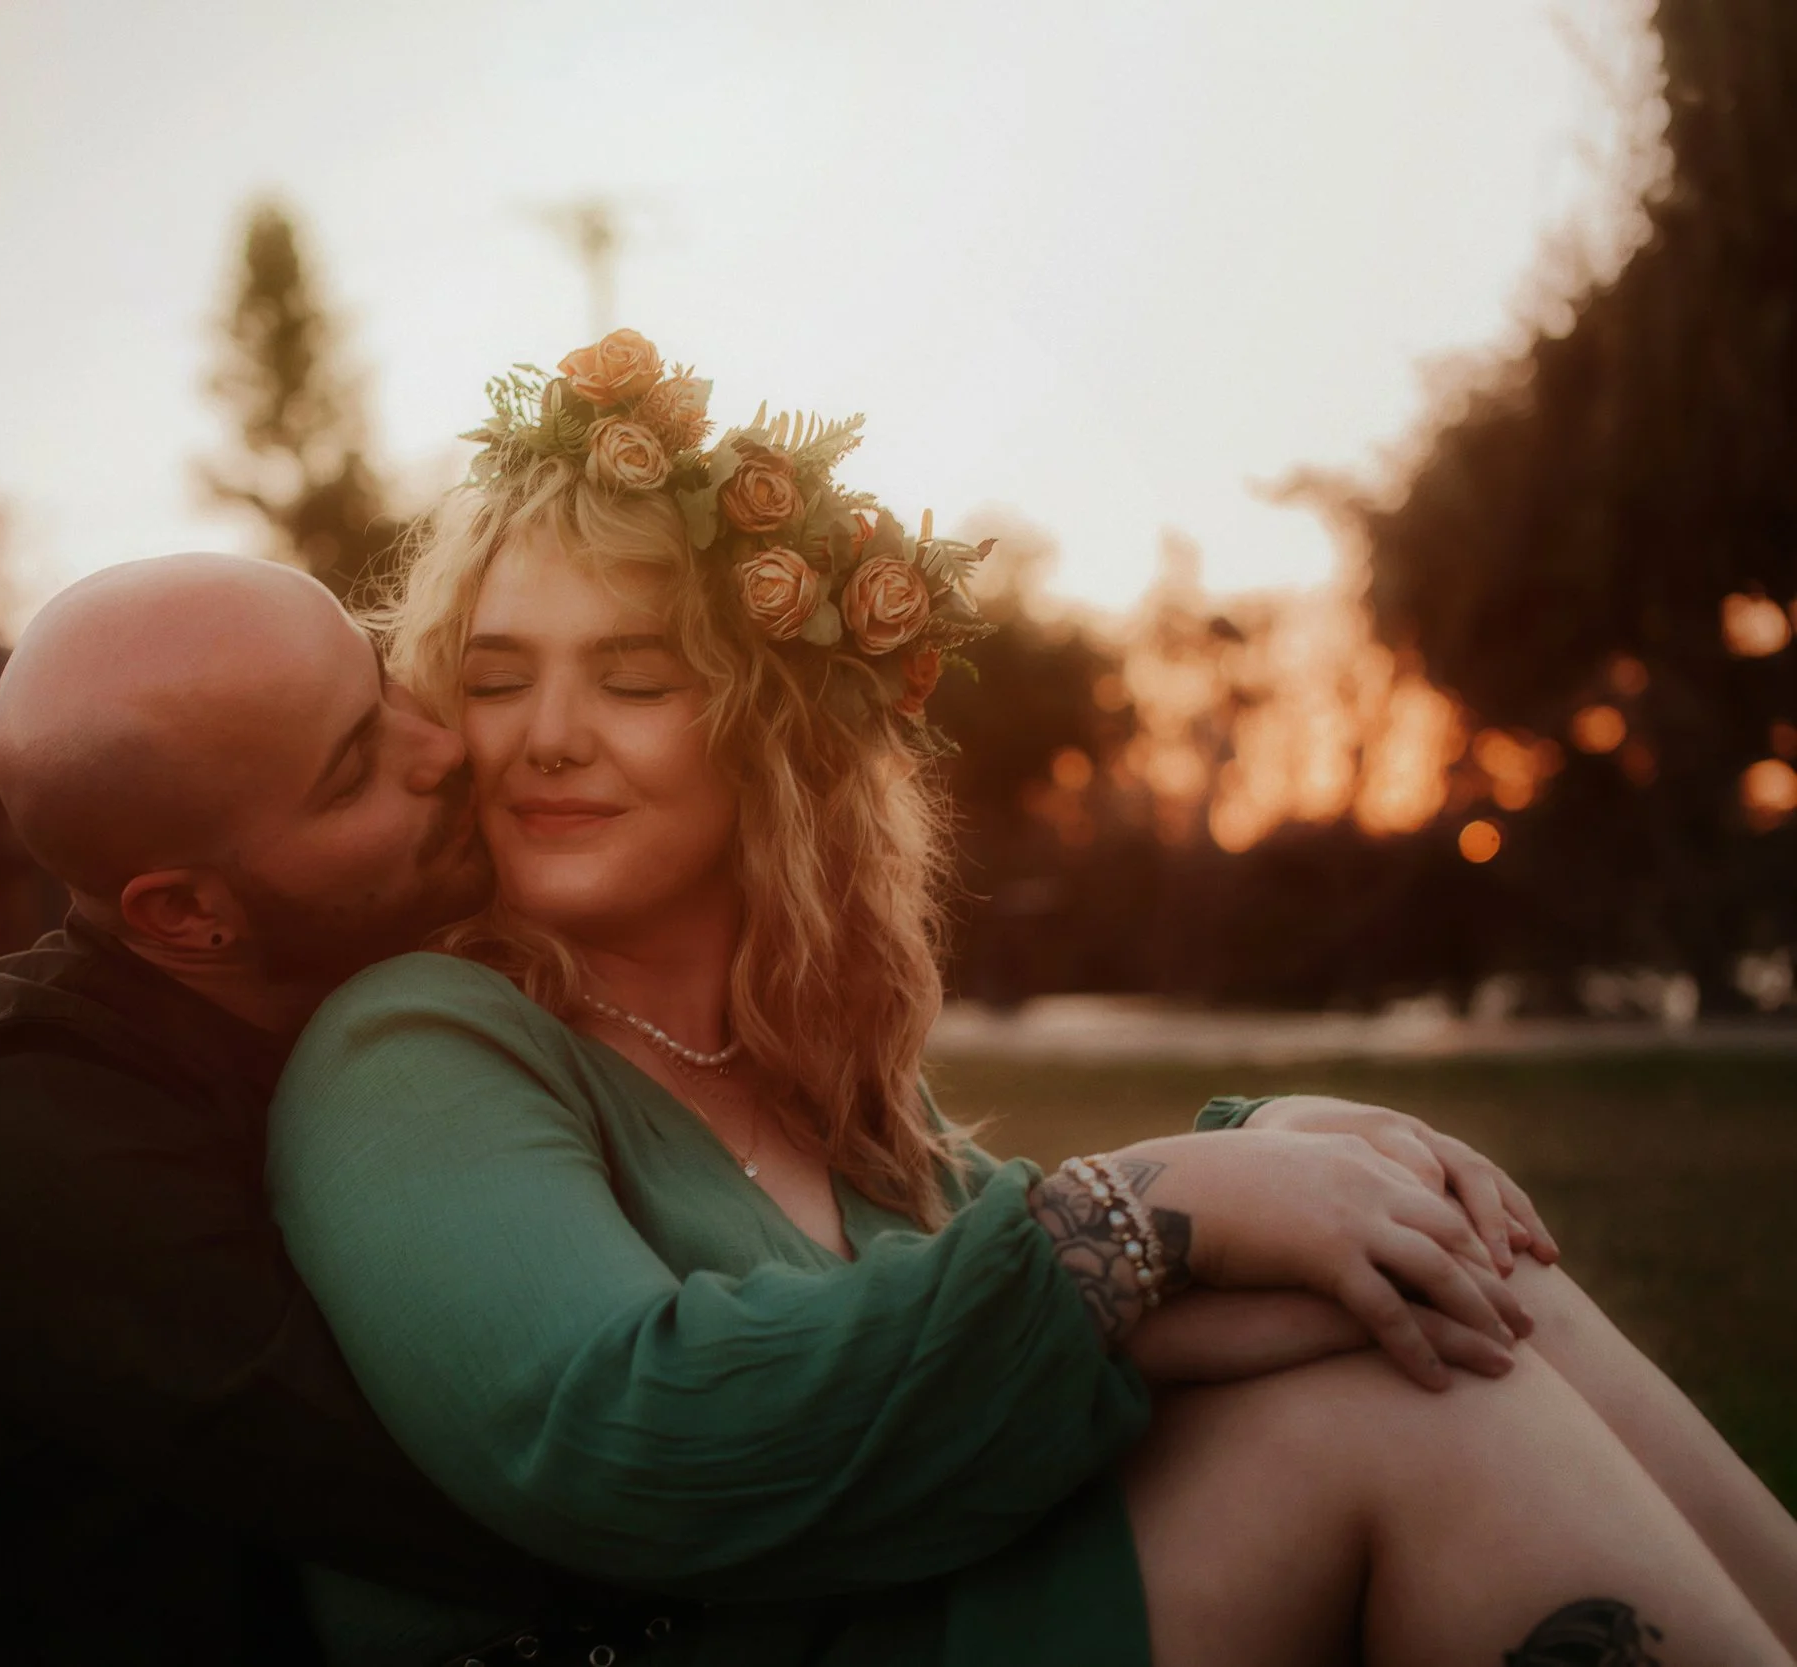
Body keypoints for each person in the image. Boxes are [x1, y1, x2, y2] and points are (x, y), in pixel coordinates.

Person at [266, 331, 1797, 1666]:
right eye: (492, 673)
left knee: (1468, 1292)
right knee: (1420, 1413)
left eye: (634, 677)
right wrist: (1149, 1200)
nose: (543, 735)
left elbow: (1027, 1339)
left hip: (907, 1595)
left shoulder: (813, 1057)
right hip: (732, 1641)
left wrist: (1284, 1156)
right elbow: (625, 1437)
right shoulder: (416, 1041)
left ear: (772, 729)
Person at [0, 554, 642, 1666]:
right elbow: (499, 1493)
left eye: (382, 680)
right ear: (188, 913)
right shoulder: (27, 1156)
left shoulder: (313, 1014)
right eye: (352, 772)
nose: (440, 748)